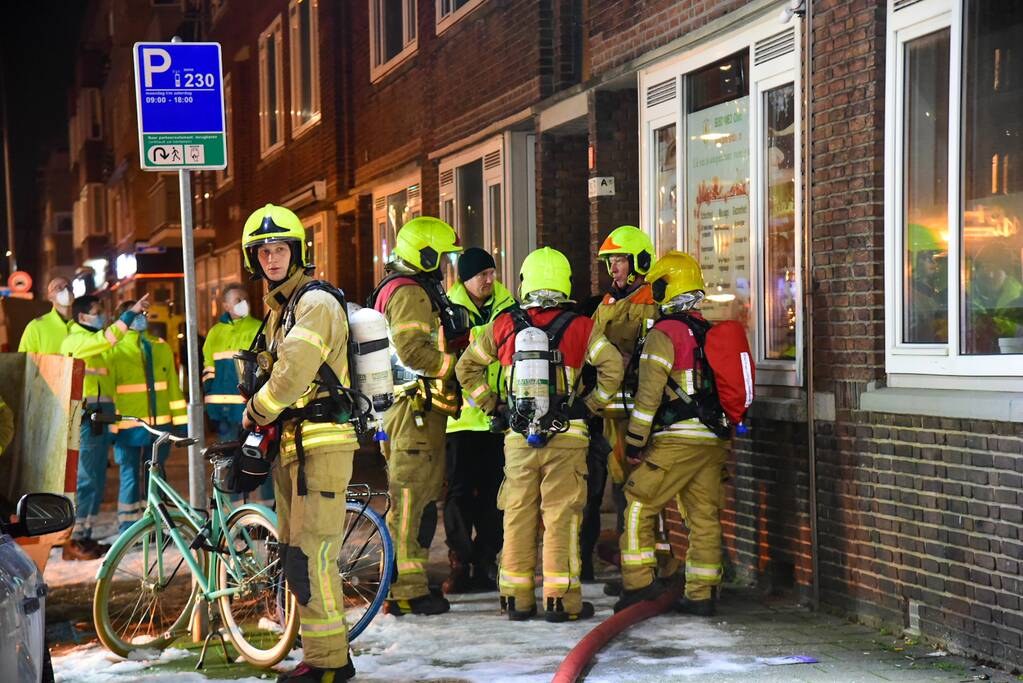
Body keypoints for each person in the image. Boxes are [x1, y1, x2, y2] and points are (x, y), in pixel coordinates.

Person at [456, 247, 623, 622]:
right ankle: (560, 600)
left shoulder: (504, 324)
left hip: (518, 437)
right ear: (565, 283)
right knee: (561, 517)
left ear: (524, 283)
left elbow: (466, 369)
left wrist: (493, 405)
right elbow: (612, 367)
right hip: (568, 437)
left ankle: (516, 599)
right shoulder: (582, 327)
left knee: (517, 515)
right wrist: (591, 405)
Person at [239, 203, 356, 682]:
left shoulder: (314, 304)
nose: (271, 258)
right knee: (295, 556)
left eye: (280, 249)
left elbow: (290, 379)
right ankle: (322, 655)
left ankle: (329, 665)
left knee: (313, 555)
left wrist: (255, 411)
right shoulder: (280, 310)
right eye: (263, 251)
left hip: (321, 445)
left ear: (297, 252)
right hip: (296, 445)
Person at [613, 251, 728, 616]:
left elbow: (648, 397)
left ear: (668, 288)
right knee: (703, 516)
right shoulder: (706, 331)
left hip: (676, 439)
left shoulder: (665, 334)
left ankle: (638, 585)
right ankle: (702, 594)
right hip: (712, 440)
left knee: (638, 505)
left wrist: (635, 442)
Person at [368, 216, 464, 616]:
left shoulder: (400, 287)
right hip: (413, 415)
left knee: (417, 500)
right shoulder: (410, 292)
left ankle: (409, 584)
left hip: (410, 414)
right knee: (410, 502)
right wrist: (455, 367)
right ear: (424, 256)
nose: (445, 266)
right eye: (441, 257)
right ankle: (406, 590)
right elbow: (411, 351)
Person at [589, 226, 663, 588]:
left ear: (640, 262)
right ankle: (627, 566)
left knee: (637, 492)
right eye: (611, 261)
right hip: (608, 414)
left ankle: (642, 571)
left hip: (639, 415)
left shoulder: (651, 301)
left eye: (620, 260)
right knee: (615, 491)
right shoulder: (606, 303)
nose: (614, 268)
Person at [442, 247, 517, 593]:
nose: (489, 280)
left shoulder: (509, 307)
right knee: (458, 496)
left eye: (491, 273)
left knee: (493, 495)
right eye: (481, 275)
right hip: (460, 420)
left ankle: (487, 560)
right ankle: (460, 561)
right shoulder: (449, 309)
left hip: (498, 418)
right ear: (465, 279)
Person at [60, 293, 150, 559]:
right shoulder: (76, 340)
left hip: (100, 417)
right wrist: (131, 312)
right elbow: (109, 338)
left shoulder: (93, 343)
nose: (101, 315)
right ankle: (73, 539)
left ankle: (85, 535)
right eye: (97, 311)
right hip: (85, 418)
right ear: (82, 316)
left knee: (96, 478)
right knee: (86, 478)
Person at [108, 301, 187, 532]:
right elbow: (111, 391)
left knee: (156, 475)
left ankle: (156, 525)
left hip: (160, 425)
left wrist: (181, 423)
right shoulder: (114, 349)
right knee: (130, 474)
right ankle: (129, 528)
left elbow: (173, 387)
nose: (142, 317)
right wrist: (111, 429)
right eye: (136, 314)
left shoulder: (160, 346)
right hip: (128, 425)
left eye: (143, 313)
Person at [202, 284, 270, 504]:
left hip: (252, 409)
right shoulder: (215, 333)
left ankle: (265, 510)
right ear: (225, 305)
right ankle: (234, 510)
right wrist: (210, 399)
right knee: (229, 462)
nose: (243, 303)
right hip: (224, 411)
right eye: (238, 299)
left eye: (245, 298)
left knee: (259, 458)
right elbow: (208, 370)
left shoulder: (258, 328)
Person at [18, 277, 74, 353]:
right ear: (50, 297)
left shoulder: (82, 324)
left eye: (68, 287)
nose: (66, 291)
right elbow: (24, 358)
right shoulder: (35, 327)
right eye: (58, 288)